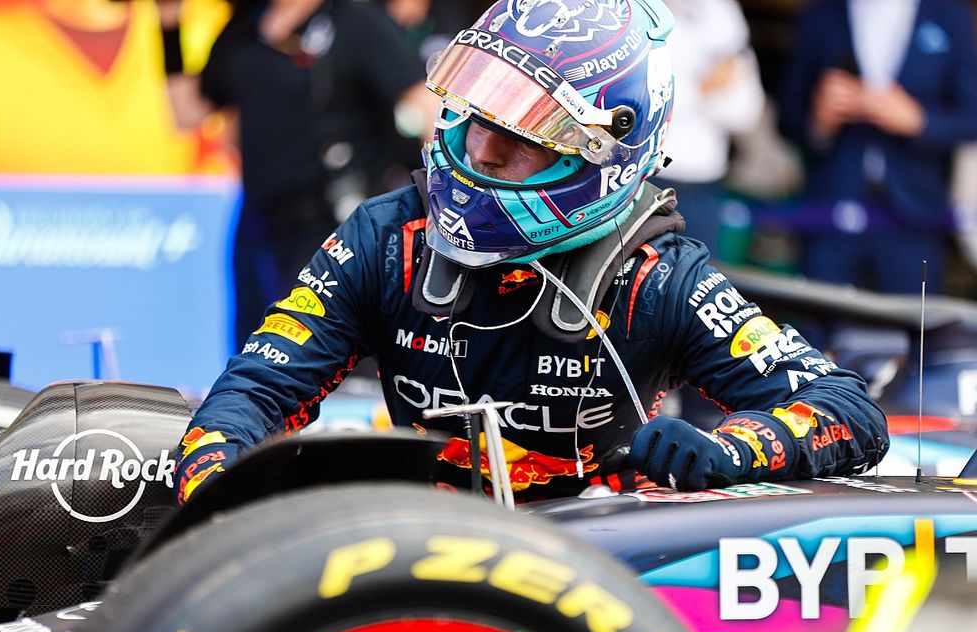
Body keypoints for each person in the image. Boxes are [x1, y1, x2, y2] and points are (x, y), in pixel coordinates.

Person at [174, 0, 890, 505]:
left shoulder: (659, 277)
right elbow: (251, 393)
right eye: (478, 115)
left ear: (602, 155)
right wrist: (217, 490)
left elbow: (847, 410)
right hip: (419, 562)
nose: (478, 148)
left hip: (597, 581)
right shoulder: (388, 235)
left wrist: (732, 449)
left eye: (517, 135)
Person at [159, 0, 438, 351]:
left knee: (317, 353)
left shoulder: (354, 20)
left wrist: (435, 199)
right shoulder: (244, 28)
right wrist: (168, 21)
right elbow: (186, 113)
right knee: (254, 352)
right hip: (259, 224)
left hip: (332, 225)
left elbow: (425, 110)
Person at [778, 0, 977, 294]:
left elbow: (971, 118)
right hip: (830, 214)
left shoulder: (950, 15)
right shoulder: (819, 15)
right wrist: (818, 120)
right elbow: (787, 117)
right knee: (814, 336)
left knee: (914, 331)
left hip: (915, 218)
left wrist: (918, 120)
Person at [649, 0, 766, 259]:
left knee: (697, 288)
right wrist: (706, 87)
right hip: (648, 184)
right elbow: (643, 106)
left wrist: (693, 92)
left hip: (705, 189)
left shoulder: (720, 10)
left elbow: (747, 111)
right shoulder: (636, 11)